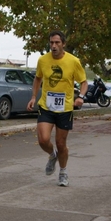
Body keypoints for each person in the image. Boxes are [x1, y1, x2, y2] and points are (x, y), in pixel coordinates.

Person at [26, 30, 88, 187]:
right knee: (43, 140)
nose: (53, 46)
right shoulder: (43, 60)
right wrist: (33, 97)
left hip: (65, 108)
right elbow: (38, 78)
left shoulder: (73, 61)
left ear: (63, 44)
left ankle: (63, 171)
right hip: (46, 106)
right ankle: (52, 155)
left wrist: (80, 97)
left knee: (61, 143)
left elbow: (84, 82)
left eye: (57, 43)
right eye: (51, 43)